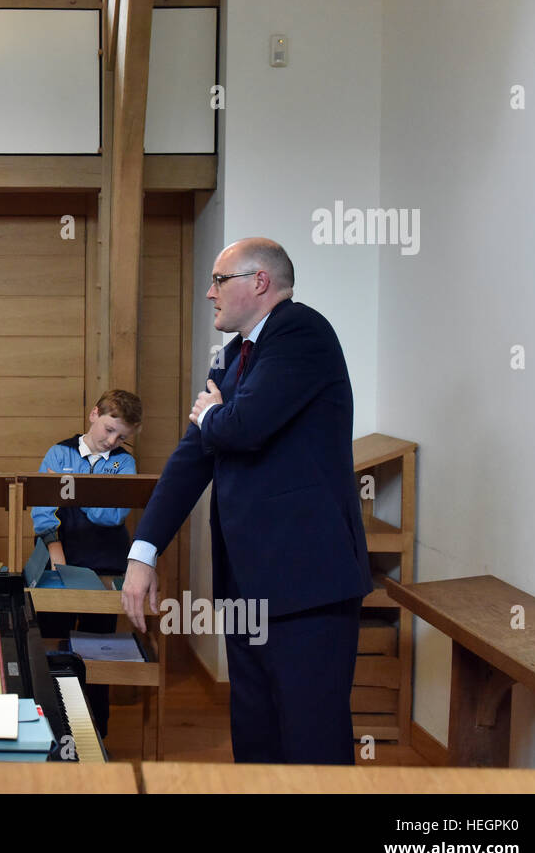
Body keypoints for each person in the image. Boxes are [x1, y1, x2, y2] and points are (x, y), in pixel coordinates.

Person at [121, 237, 371, 765]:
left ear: (259, 282)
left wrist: (214, 415)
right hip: (248, 587)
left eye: (219, 280)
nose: (210, 293)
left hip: (308, 584)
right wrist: (143, 553)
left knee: (312, 744)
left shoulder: (302, 332)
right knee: (256, 739)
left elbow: (245, 428)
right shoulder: (233, 357)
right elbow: (193, 459)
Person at [31, 388, 142, 737]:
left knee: (96, 652)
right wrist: (53, 544)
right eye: (109, 429)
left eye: (122, 436)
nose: (112, 440)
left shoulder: (124, 463)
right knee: (51, 646)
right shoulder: (58, 452)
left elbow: (111, 516)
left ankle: (96, 732)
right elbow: (42, 507)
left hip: (105, 568)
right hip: (58, 564)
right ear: (94, 414)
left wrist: (75, 491)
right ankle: (50, 727)